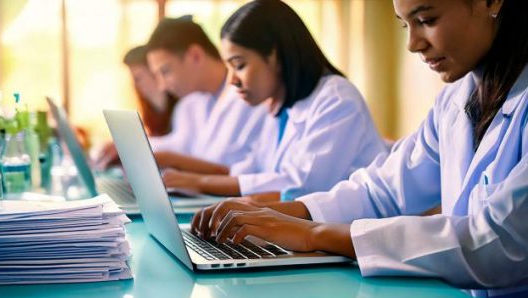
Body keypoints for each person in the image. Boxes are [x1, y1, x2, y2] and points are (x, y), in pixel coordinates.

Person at [192, 0, 528, 298]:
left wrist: (315, 234)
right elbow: (382, 191)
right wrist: (281, 215)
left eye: (427, 20)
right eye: (404, 25)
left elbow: (499, 242)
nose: (412, 44)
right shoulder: (456, 99)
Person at [161, 0, 386, 201]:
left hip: (346, 238)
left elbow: (300, 188)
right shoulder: (280, 105)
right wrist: (188, 180)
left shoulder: (337, 100)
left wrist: (200, 182)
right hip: (299, 231)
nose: (232, 81)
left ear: (275, 55)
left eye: (239, 65)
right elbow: (251, 171)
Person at [145, 16, 267, 175]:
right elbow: (180, 144)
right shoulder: (193, 103)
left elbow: (249, 171)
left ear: (195, 56)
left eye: (165, 71)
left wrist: (173, 161)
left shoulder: (252, 95)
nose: (162, 86)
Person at [94, 45, 177, 170]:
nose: (136, 85)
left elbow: (178, 145)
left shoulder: (183, 105)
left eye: (138, 78)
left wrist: (130, 145)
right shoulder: (152, 109)